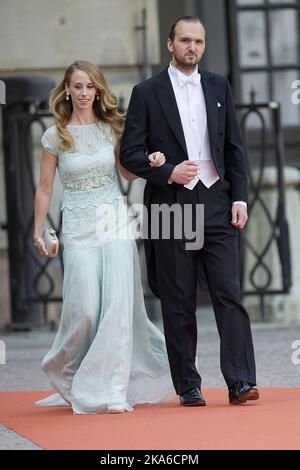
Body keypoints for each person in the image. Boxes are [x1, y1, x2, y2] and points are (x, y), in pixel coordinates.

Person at [120, 17, 259, 406]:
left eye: (198, 41)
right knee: (178, 298)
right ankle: (189, 385)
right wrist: (167, 171)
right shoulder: (146, 92)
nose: (192, 47)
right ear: (170, 44)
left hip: (216, 202)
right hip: (171, 207)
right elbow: (130, 154)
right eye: (185, 40)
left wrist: (240, 198)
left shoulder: (218, 85)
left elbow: (233, 148)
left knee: (228, 294)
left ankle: (241, 381)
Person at [33, 60, 174, 414]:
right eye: (77, 86)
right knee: (83, 310)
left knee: (116, 308)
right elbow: (45, 189)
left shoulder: (113, 128)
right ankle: (65, 371)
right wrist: (38, 229)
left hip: (114, 223)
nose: (83, 93)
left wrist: (151, 162)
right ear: (67, 90)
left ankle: (112, 388)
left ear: (98, 91)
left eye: (90, 87)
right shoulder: (55, 136)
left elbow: (127, 174)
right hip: (78, 227)